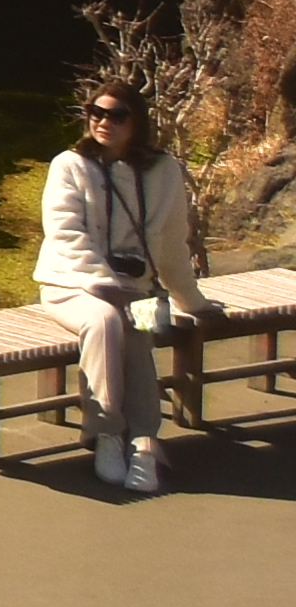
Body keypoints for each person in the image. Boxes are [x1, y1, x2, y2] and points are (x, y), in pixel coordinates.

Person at [39, 71, 209, 497]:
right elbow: (65, 234)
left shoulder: (165, 170)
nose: (103, 122)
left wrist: (192, 300)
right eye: (95, 112)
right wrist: (101, 283)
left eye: (116, 115)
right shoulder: (70, 165)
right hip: (70, 284)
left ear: (137, 122)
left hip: (140, 288)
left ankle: (145, 442)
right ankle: (107, 433)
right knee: (104, 322)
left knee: (139, 334)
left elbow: (172, 243)